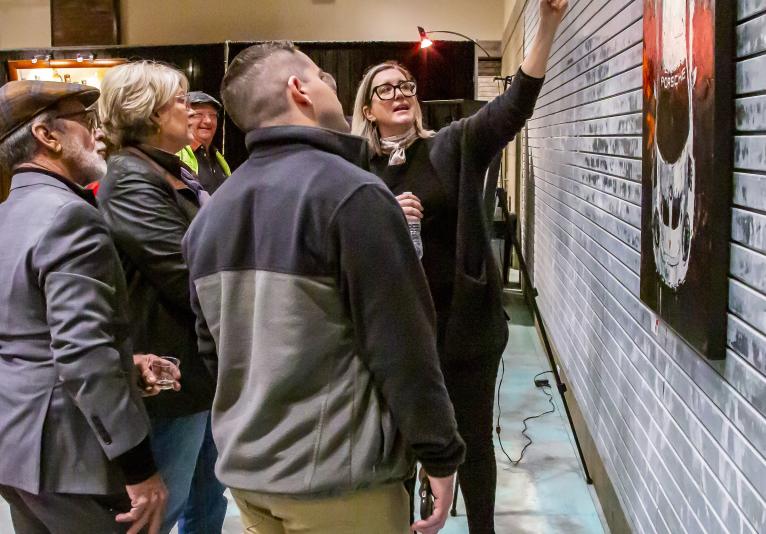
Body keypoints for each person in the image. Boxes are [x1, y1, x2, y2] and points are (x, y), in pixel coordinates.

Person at [183, 41, 465, 534]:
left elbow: (214, 353)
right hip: (339, 484)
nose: (331, 86)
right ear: (299, 90)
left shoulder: (210, 217)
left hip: (251, 480)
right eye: (320, 76)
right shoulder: (354, 195)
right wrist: (439, 451)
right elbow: (402, 346)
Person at [351, 1, 568, 532]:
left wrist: (547, 25)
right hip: (395, 334)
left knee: (470, 441)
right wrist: (384, 215)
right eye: (385, 89)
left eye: (406, 85)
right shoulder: (354, 169)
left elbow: (514, 106)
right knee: (401, 443)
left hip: (462, 329)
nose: (399, 94)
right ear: (368, 109)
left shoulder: (452, 145)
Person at [0, 80, 172, 533]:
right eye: (85, 121)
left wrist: (125, 364)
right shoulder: (69, 216)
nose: (97, 133)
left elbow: (27, 333)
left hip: (17, 452)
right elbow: (82, 353)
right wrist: (139, 467)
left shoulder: (7, 213)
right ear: (47, 136)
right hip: (70, 454)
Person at [96, 61, 227, 534]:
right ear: (149, 112)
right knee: (161, 511)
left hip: (196, 369)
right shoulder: (132, 177)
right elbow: (182, 272)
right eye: (180, 100)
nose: (190, 111)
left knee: (207, 501)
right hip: (170, 373)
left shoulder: (168, 169)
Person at [178, 91, 231, 194]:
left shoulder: (218, 158)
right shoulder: (177, 155)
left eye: (212, 115)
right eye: (198, 115)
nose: (208, 121)